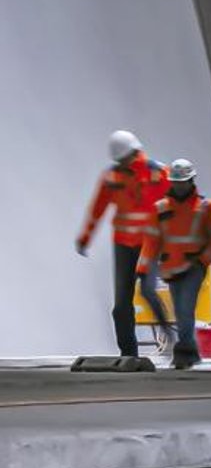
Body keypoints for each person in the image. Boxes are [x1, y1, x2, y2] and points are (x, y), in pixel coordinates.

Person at [76, 130, 171, 360]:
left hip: (150, 244)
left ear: (133, 153)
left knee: (148, 291)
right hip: (123, 246)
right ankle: (129, 355)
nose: (121, 164)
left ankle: (170, 338)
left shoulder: (158, 173)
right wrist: (85, 238)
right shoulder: (112, 177)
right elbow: (97, 209)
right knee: (121, 307)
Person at [143, 159, 211, 370]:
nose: (179, 186)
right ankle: (190, 352)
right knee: (181, 312)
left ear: (191, 181)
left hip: (193, 267)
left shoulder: (206, 207)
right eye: (176, 182)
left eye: (183, 182)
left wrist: (203, 261)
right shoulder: (161, 209)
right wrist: (143, 268)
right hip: (171, 269)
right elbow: (152, 241)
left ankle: (185, 353)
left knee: (184, 309)